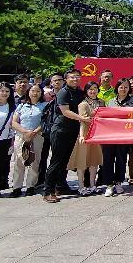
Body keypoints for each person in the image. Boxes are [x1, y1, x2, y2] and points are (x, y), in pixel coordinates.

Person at [43, 69, 88, 203]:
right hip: (61, 130)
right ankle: (48, 191)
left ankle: (61, 186)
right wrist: (82, 118)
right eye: (72, 77)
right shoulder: (63, 92)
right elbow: (65, 111)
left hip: (73, 130)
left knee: (65, 161)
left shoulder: (80, 92)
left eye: (77, 77)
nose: (75, 79)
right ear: (66, 79)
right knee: (56, 161)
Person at [67, 82, 104, 196]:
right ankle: (81, 186)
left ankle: (93, 184)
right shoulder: (83, 104)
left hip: (97, 135)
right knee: (81, 161)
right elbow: (83, 121)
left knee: (94, 161)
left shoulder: (101, 102)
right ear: (86, 91)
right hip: (86, 134)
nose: (93, 91)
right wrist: (82, 135)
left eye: (95, 89)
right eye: (90, 89)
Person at [10, 83, 46, 197]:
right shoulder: (21, 106)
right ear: (28, 92)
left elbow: (45, 122)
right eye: (33, 91)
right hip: (21, 136)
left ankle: (31, 185)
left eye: (38, 91)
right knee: (19, 161)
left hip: (37, 136)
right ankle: (17, 187)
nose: (35, 93)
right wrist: (25, 132)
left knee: (35, 161)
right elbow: (14, 122)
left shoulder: (45, 105)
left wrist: (34, 132)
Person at [100, 78, 133, 197]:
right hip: (110, 135)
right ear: (117, 88)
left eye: (126, 87)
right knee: (107, 160)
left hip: (124, 136)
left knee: (121, 159)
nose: (123, 89)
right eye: (121, 87)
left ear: (129, 89)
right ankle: (109, 185)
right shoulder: (110, 102)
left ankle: (119, 182)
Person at [36, 72, 64, 189]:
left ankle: (60, 181)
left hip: (61, 130)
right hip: (47, 130)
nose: (57, 82)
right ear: (51, 82)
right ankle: (41, 180)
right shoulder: (46, 97)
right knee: (43, 156)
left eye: (59, 80)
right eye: (54, 80)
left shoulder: (67, 94)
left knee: (59, 157)